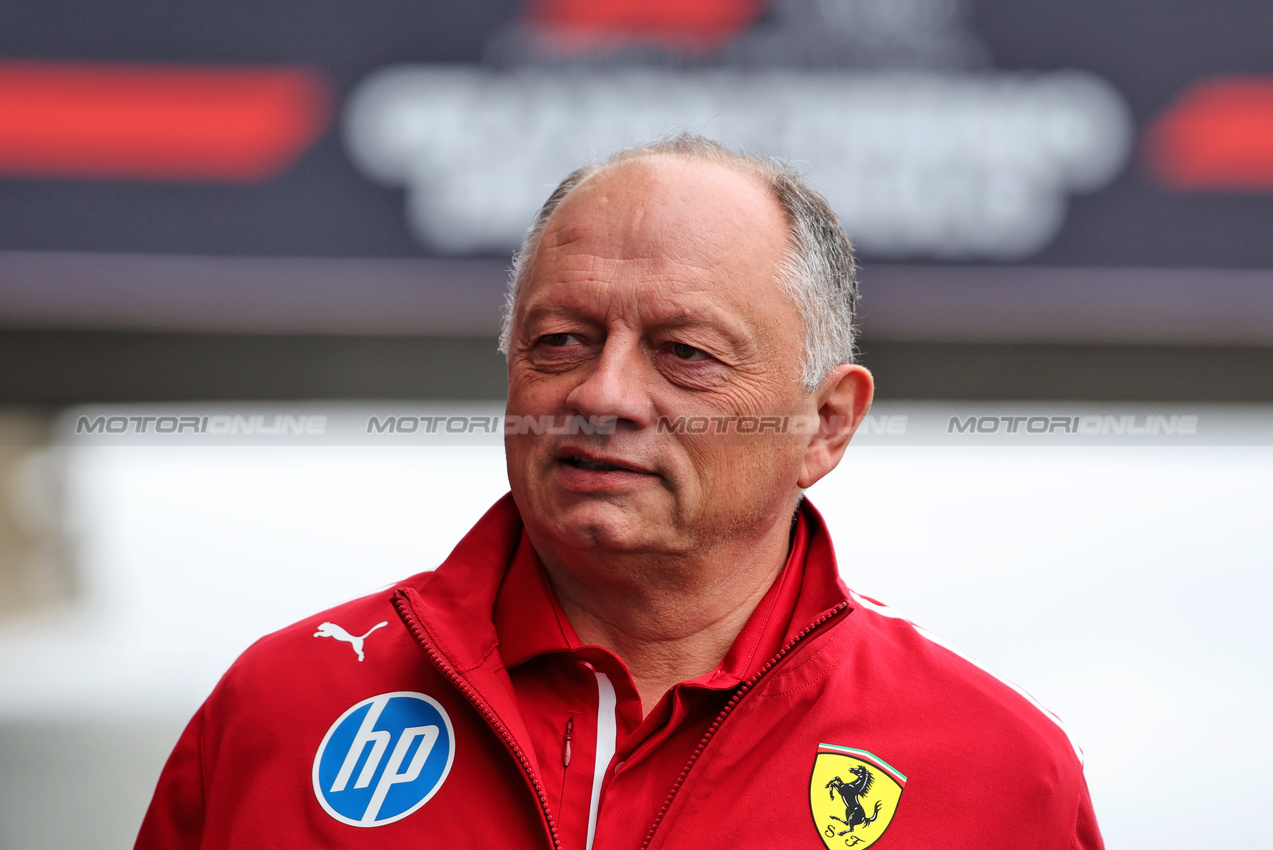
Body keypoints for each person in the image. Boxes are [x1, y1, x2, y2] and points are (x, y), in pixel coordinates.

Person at [136, 135, 1103, 849]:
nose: (601, 395)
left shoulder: (994, 772)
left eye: (685, 353)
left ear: (824, 425)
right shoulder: (284, 709)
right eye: (560, 341)